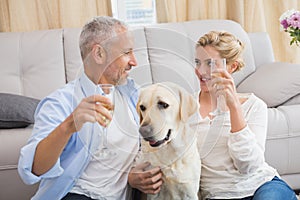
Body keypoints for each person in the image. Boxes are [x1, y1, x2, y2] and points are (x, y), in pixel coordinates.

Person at [18, 16, 162, 200]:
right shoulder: (60, 102)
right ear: (99, 54)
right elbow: (33, 169)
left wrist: (131, 177)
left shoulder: (134, 94)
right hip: (77, 195)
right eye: (127, 52)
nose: (134, 61)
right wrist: (69, 126)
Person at [194, 31, 297, 200]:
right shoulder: (185, 106)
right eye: (198, 62)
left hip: (262, 186)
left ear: (232, 67)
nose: (201, 71)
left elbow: (249, 166)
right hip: (219, 194)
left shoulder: (254, 106)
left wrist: (234, 107)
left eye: (210, 63)